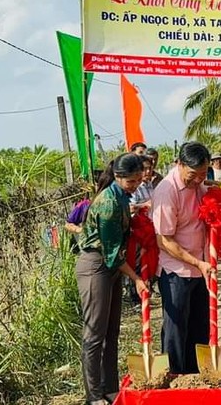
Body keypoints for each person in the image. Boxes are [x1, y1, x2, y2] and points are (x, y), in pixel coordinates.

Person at [76, 153, 149, 405]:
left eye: (139, 179)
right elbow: (111, 253)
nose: (136, 185)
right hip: (97, 266)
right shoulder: (108, 203)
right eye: (131, 181)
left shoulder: (121, 196)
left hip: (113, 267)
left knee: (112, 331)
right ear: (118, 177)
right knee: (94, 334)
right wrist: (137, 279)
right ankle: (94, 396)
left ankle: (110, 389)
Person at [152, 142, 213, 374]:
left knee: (199, 327)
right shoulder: (167, 191)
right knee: (176, 329)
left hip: (200, 268)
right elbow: (164, 241)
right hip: (176, 271)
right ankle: (173, 378)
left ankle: (195, 377)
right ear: (179, 164)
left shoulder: (199, 186)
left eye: (202, 174)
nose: (198, 180)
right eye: (192, 175)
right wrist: (197, 262)